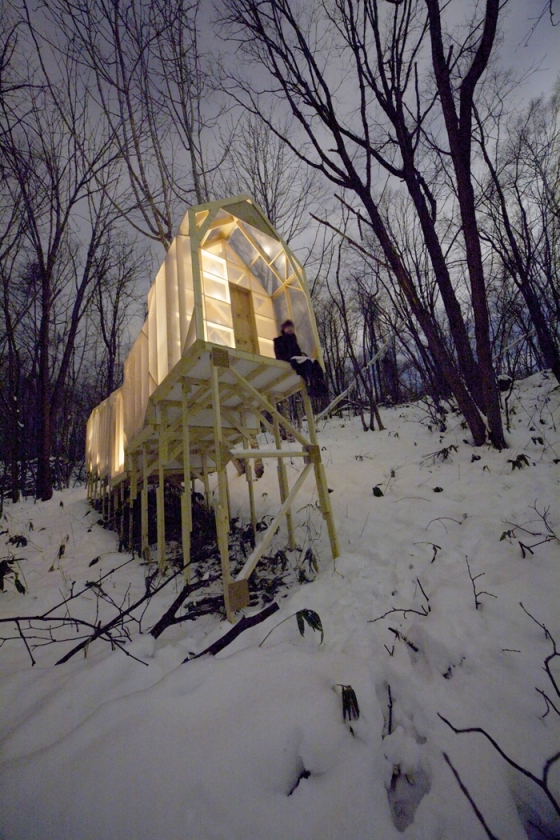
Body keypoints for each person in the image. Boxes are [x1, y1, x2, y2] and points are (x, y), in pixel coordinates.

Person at [273, 320, 328, 398]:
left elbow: (297, 353)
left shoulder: (293, 339)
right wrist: (290, 359)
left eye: (291, 327)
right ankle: (312, 386)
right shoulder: (279, 340)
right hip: (289, 360)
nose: (290, 329)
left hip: (297, 359)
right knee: (308, 363)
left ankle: (319, 386)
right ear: (284, 329)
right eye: (287, 327)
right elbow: (279, 355)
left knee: (315, 363)